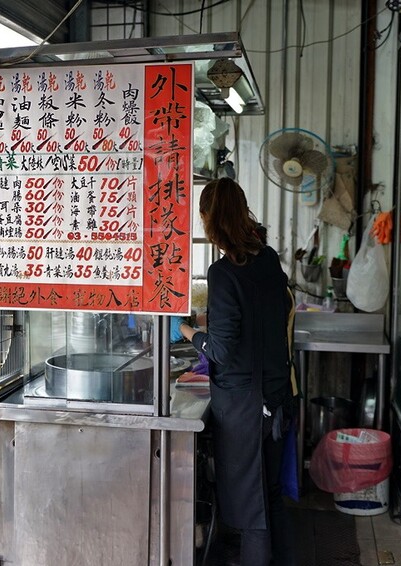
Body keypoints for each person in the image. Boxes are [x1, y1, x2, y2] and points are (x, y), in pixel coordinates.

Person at [173, 178, 295, 565]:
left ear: (209, 220)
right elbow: (269, 315)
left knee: (251, 506)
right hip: (276, 396)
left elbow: (221, 351)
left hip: (247, 407)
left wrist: (188, 331)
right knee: (270, 494)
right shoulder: (268, 258)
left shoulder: (223, 273)